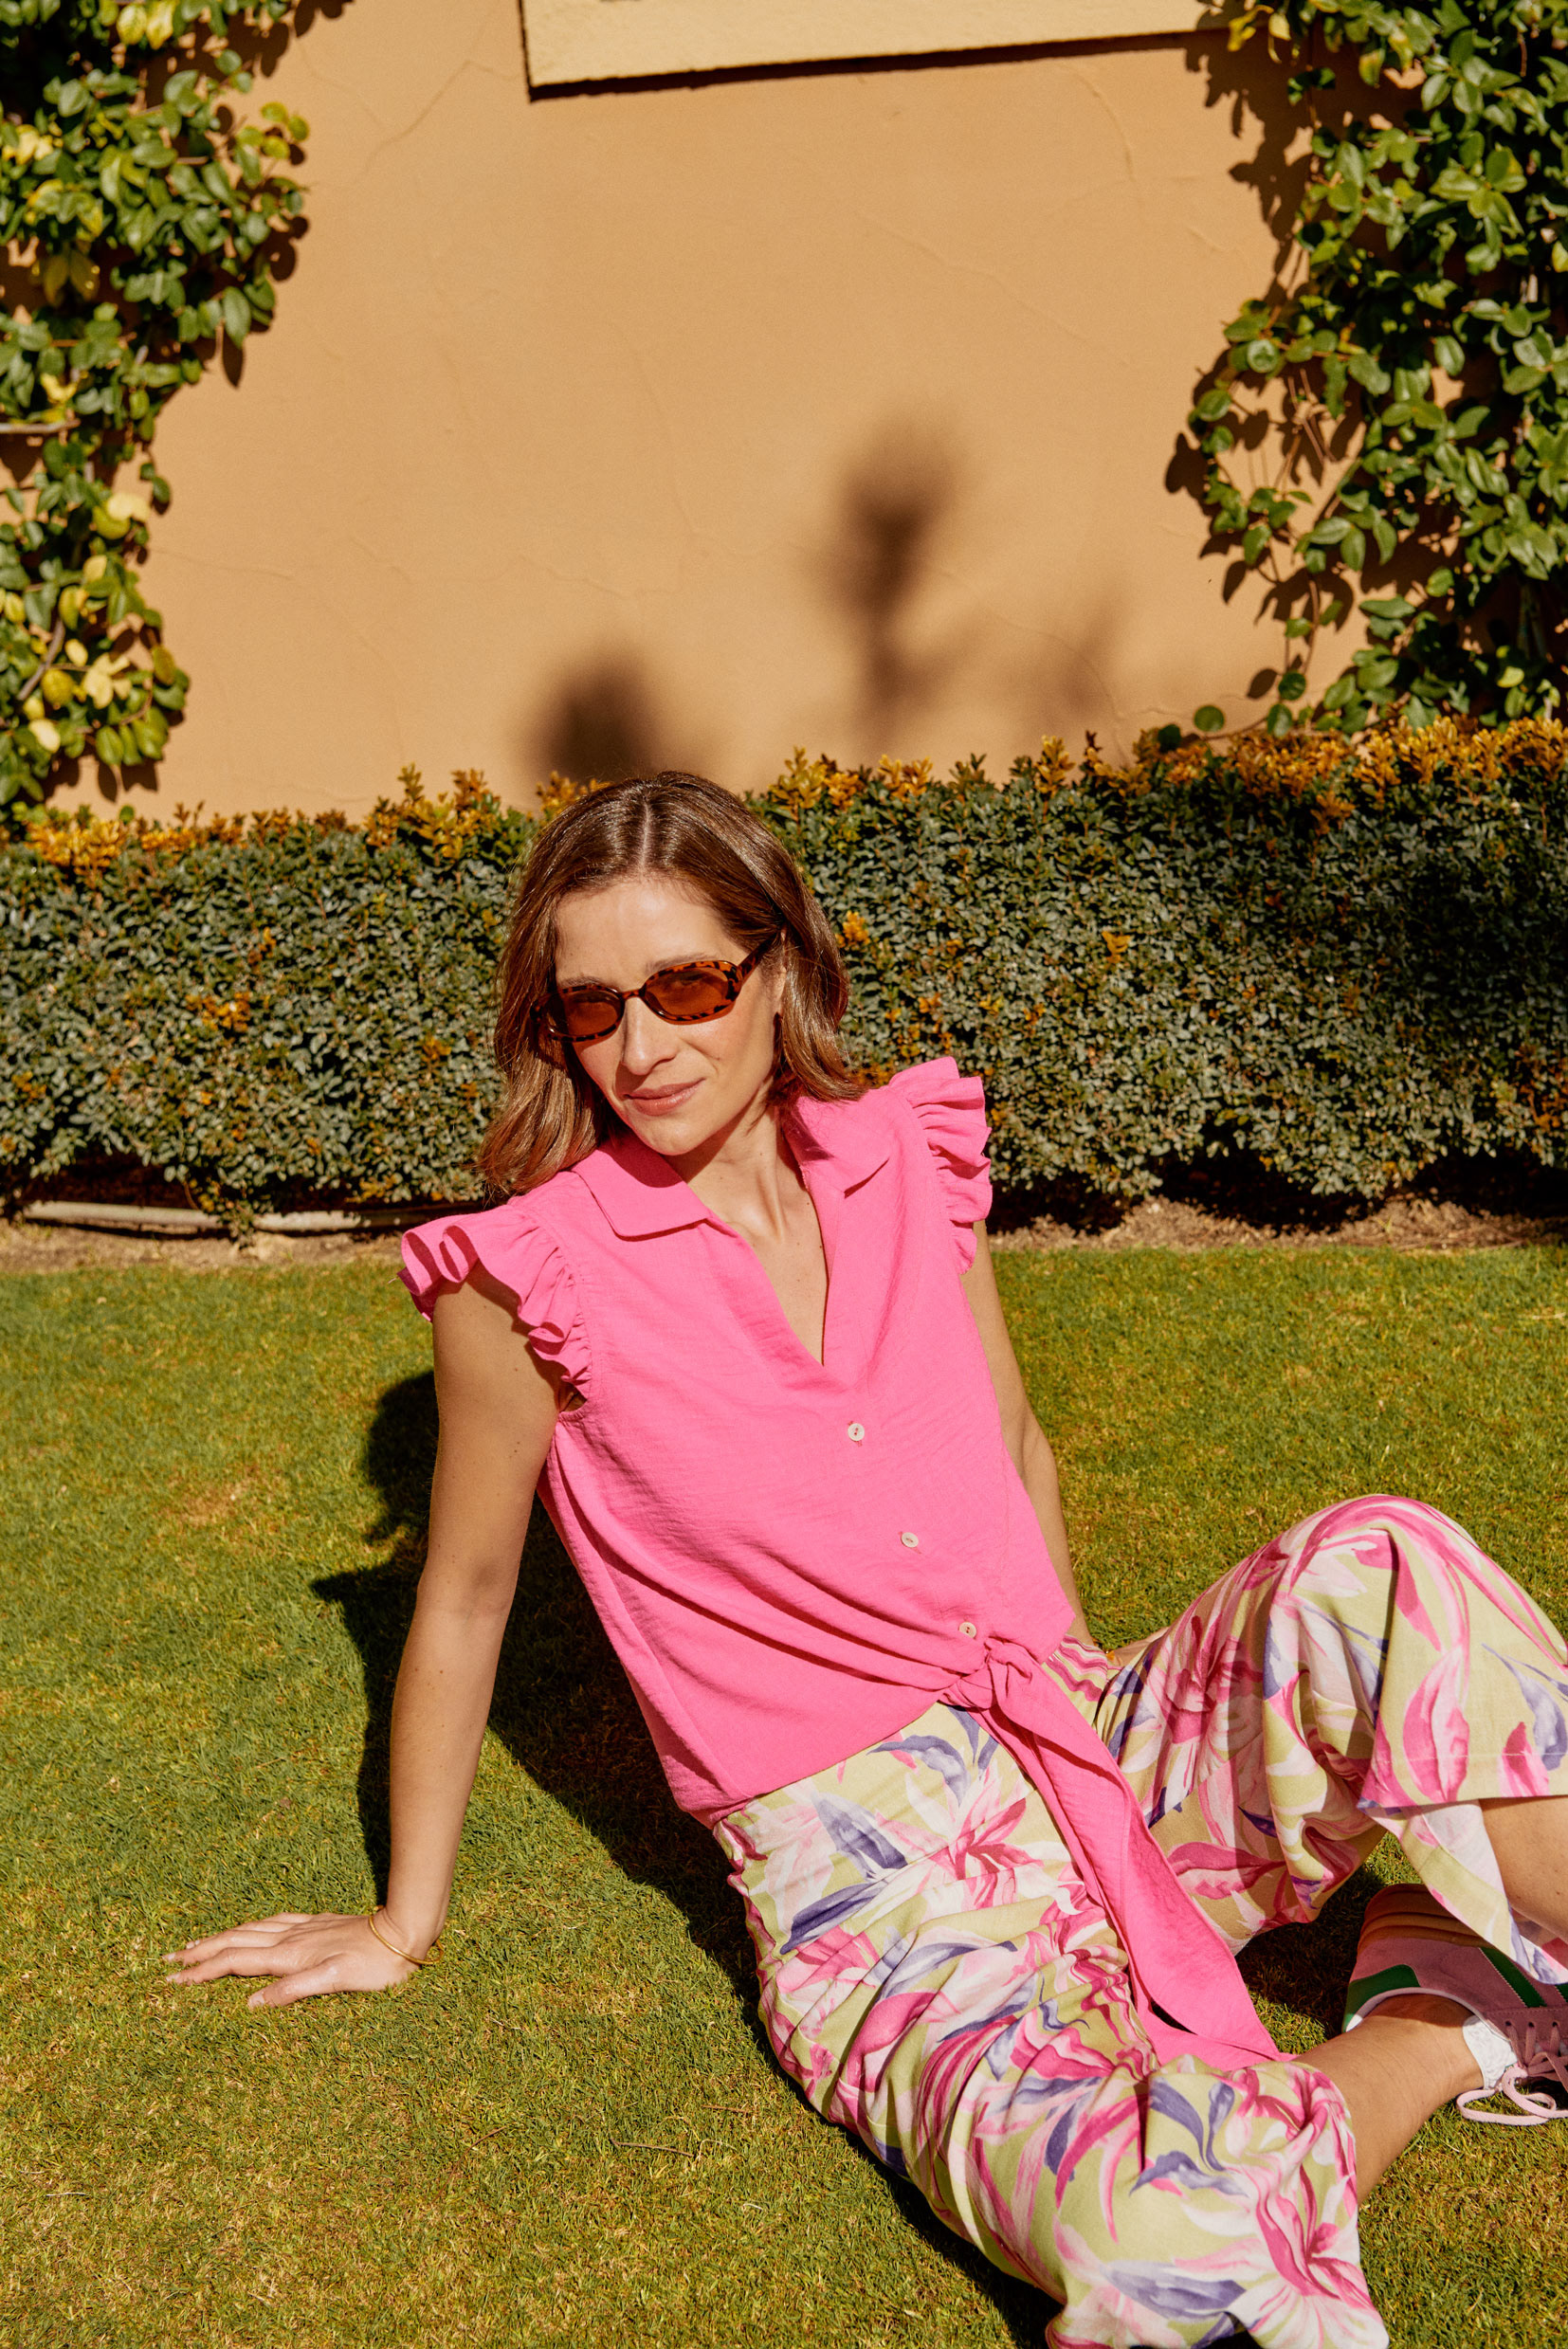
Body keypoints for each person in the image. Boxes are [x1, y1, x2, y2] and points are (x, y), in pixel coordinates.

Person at [171, 772, 1568, 2348]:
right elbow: (468, 1594)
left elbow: (1014, 1439)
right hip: (886, 1903)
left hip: (1074, 1743)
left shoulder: (903, 1150)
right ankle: (1450, 2012)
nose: (642, 1047)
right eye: (592, 1008)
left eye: (687, 984)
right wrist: (398, 1921)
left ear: (780, 967)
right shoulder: (526, 1280)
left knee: (1377, 1560)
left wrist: (1084, 1698)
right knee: (1163, 2231)